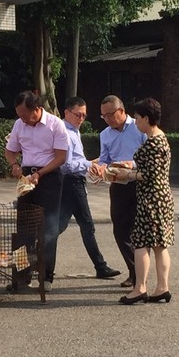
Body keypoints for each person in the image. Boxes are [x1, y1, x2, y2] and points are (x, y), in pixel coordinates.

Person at [5, 91, 68, 292]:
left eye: (25, 114)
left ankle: (46, 275)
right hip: (26, 176)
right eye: (19, 114)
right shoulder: (19, 124)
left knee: (48, 228)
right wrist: (14, 164)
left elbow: (61, 157)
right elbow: (10, 150)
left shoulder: (55, 124)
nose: (22, 118)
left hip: (49, 176)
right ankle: (21, 275)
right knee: (23, 228)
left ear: (37, 109)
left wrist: (40, 174)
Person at [113, 98, 174, 305]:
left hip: (151, 198)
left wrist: (126, 175)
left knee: (141, 243)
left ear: (147, 118)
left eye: (138, 118)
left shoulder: (152, 142)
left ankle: (140, 288)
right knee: (160, 245)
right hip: (162, 197)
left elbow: (148, 174)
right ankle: (162, 287)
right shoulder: (160, 138)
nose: (136, 122)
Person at [59, 97, 121, 279]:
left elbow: (75, 160)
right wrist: (88, 165)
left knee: (60, 226)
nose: (81, 119)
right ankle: (100, 266)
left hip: (74, 182)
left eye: (84, 115)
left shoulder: (73, 131)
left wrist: (90, 164)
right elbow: (67, 164)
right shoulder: (66, 133)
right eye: (78, 114)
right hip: (71, 182)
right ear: (67, 113)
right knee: (85, 225)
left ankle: (38, 261)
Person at [90, 95, 147, 289]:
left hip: (139, 183)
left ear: (121, 111)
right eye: (103, 116)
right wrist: (100, 167)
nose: (107, 119)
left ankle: (141, 274)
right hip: (118, 185)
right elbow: (105, 158)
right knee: (120, 230)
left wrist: (130, 164)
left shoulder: (139, 127)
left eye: (110, 114)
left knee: (140, 230)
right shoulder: (105, 134)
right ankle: (134, 272)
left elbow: (149, 155)